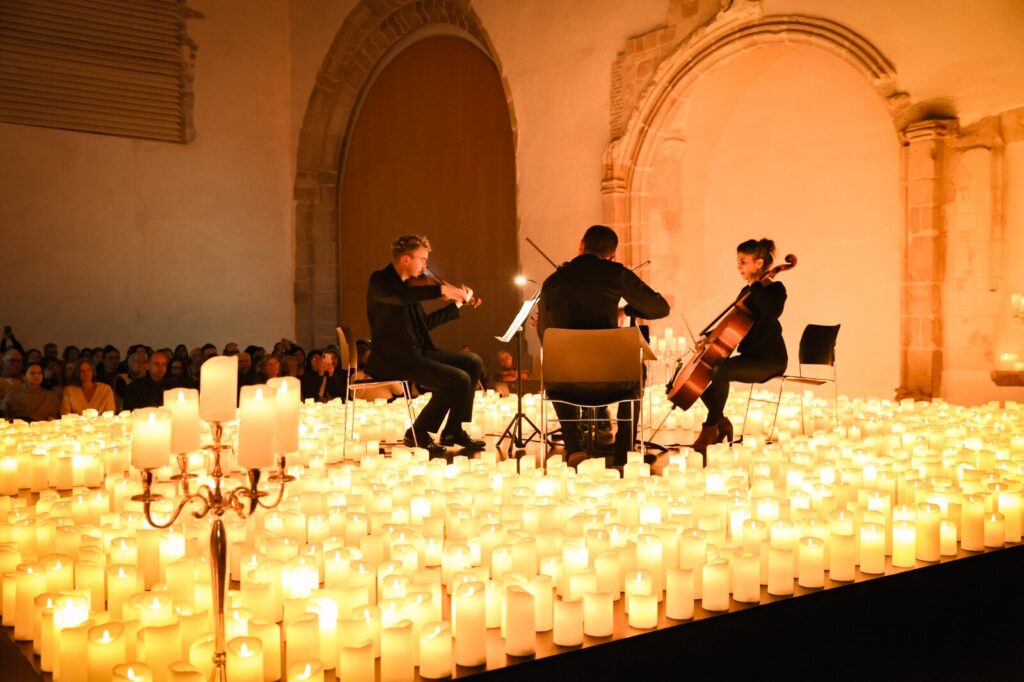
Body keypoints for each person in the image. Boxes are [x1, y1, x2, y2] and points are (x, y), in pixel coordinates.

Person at [537, 224, 670, 468]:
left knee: (555, 365)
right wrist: (626, 310)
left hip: (565, 383)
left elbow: (543, 334)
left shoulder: (552, 281)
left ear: (581, 245)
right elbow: (659, 308)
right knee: (637, 368)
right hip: (612, 381)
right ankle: (623, 450)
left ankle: (574, 448)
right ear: (612, 255)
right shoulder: (615, 272)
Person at [366, 234, 484, 456]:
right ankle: (418, 432)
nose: (425, 266)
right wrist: (441, 290)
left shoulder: (409, 288)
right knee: (458, 379)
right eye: (422, 259)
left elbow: (425, 324)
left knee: (473, 362)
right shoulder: (380, 281)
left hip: (418, 352)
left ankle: (454, 430)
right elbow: (399, 297)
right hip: (395, 359)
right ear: (406, 259)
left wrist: (457, 304)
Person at [689, 238, 788, 459]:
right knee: (702, 373)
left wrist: (757, 284)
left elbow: (772, 312)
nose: (738, 266)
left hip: (770, 359)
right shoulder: (747, 291)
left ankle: (710, 427)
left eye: (743, 262)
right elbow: (732, 322)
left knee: (721, 371)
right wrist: (709, 338)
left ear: (759, 263)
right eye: (738, 262)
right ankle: (721, 422)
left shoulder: (775, 289)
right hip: (750, 357)